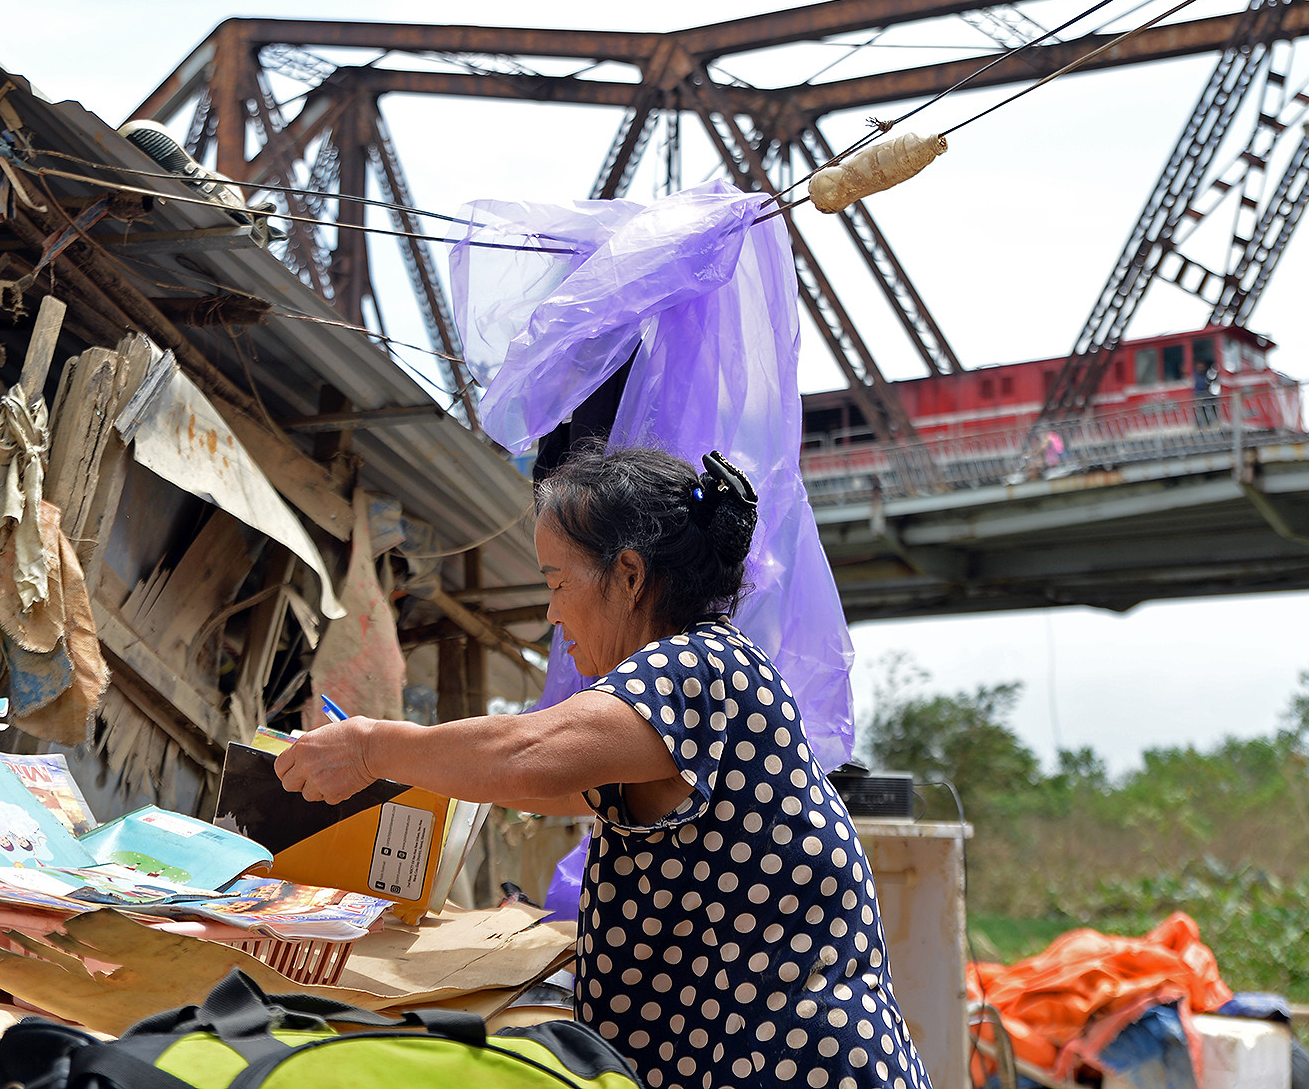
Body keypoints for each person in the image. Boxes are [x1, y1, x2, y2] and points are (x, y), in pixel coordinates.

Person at [277, 445, 931, 1089]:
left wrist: (369, 747)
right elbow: (549, 785)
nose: (553, 612)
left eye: (558, 582)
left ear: (627, 576)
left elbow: (527, 757)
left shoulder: (696, 666)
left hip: (789, 1067)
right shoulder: (709, 677)